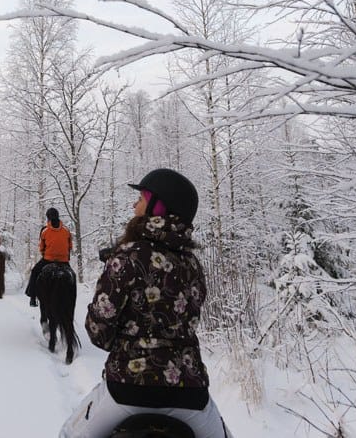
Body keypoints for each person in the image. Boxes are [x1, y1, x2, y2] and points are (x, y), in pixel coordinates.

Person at [59, 168, 232, 438]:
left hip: (129, 390)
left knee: (68, 434)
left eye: (141, 198)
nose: (134, 204)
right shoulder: (193, 265)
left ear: (157, 207)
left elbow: (98, 332)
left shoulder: (127, 256)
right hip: (191, 394)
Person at [25, 207, 71, 306]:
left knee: (35, 271)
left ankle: (32, 297)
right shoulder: (66, 230)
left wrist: (46, 254)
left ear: (48, 218)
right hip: (64, 261)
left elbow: (41, 247)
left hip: (48, 260)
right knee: (71, 277)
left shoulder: (44, 230)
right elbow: (70, 246)